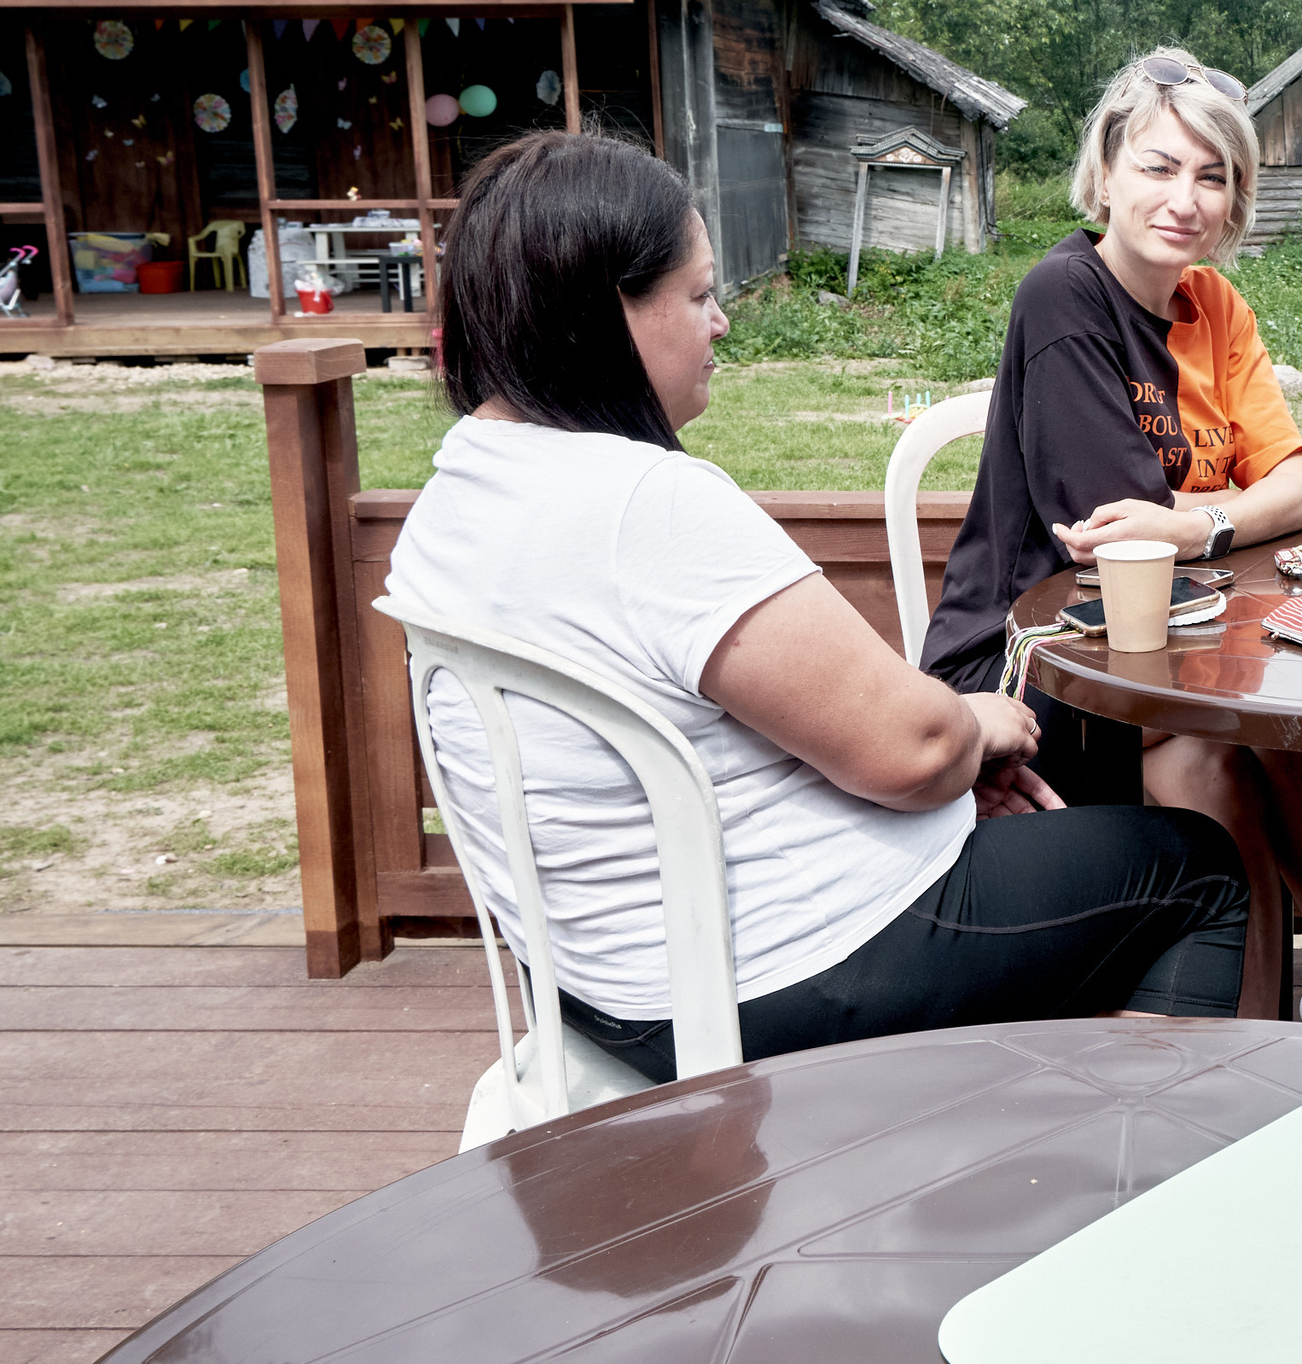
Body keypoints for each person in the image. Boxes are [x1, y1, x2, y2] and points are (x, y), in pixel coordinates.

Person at [386, 131, 1249, 1084]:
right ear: (607, 313)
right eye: (700, 295)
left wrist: (944, 769)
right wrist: (970, 728)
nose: (720, 325)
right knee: (1194, 866)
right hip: (775, 971)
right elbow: (909, 749)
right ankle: (1135, 1171)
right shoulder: (647, 502)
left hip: (599, 985)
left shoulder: (456, 493)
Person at [920, 49, 1302, 1032]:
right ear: (1106, 170)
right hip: (1039, 660)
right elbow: (1121, 544)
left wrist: (1197, 519)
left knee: (1261, 703)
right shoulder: (1062, 297)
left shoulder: (1215, 307)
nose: (1184, 199)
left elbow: (1295, 488)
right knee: (1209, 733)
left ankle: (1300, 999)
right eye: (1158, 167)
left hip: (1174, 640)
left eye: (1213, 176)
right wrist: (1217, 518)